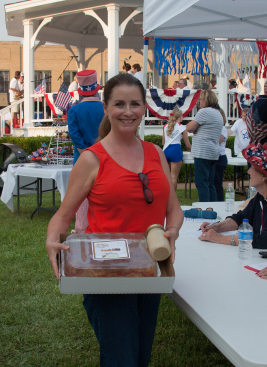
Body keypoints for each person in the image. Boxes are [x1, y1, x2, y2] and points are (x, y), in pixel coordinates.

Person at [46, 73, 184, 367]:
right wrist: (51, 241)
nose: (128, 111)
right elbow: (63, 215)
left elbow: (174, 209)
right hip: (106, 275)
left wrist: (171, 230)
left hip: (150, 271)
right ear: (106, 107)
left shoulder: (156, 154)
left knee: (140, 357)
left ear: (144, 108)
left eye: (135, 104)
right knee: (122, 359)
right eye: (119, 104)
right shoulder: (92, 159)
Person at [198, 143, 267, 253]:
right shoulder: (262, 196)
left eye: (252, 167)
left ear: (264, 176)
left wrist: (221, 239)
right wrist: (216, 227)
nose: (249, 171)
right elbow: (240, 218)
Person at [67, 69, 105, 232]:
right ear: (96, 89)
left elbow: (75, 135)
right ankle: (103, 226)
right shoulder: (106, 109)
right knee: (104, 194)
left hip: (81, 159)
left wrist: (85, 153)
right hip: (105, 156)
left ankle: (82, 228)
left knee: (81, 195)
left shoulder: (74, 110)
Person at [186, 90, 223, 202]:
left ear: (205, 100)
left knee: (201, 183)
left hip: (202, 151)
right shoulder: (218, 113)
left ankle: (206, 208)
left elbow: (189, 128)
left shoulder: (204, 112)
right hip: (213, 151)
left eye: (200, 99)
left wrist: (196, 128)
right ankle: (213, 207)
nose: (199, 101)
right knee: (210, 184)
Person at [162, 107, 191, 191]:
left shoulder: (165, 126)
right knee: (173, 177)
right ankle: (173, 197)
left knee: (166, 177)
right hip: (175, 150)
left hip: (166, 151)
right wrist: (193, 152)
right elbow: (188, 145)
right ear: (180, 117)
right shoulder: (182, 128)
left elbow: (163, 142)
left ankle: (165, 195)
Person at [228, 107, 250, 191]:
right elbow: (231, 131)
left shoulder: (251, 123)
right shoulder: (238, 123)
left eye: (245, 116)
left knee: (250, 169)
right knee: (238, 169)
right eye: (242, 116)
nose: (243, 118)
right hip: (239, 150)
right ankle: (238, 186)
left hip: (249, 151)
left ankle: (250, 185)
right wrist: (224, 136)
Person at [214, 108, 229, 201]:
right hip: (215, 157)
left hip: (220, 158)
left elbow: (217, 142)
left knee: (217, 183)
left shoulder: (222, 128)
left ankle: (220, 201)